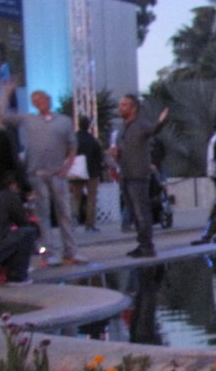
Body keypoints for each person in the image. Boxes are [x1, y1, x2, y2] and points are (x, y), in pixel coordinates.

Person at [1, 80, 83, 267]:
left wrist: (67, 167)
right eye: (35, 100)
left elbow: (72, 146)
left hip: (57, 174)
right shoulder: (29, 119)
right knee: (42, 214)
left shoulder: (64, 121)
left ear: (48, 99)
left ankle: (71, 251)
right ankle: (49, 253)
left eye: (41, 99)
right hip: (36, 174)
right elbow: (4, 116)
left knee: (65, 212)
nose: (39, 103)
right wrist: (6, 93)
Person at [110, 93, 168, 258]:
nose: (120, 108)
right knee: (134, 213)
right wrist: (116, 154)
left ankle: (147, 246)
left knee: (141, 211)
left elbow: (153, 130)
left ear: (133, 108)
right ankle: (142, 243)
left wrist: (161, 121)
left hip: (138, 175)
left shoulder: (141, 124)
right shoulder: (123, 128)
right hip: (125, 174)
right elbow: (122, 150)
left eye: (124, 105)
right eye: (120, 105)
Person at [71, 114, 105, 232]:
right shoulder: (93, 140)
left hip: (77, 172)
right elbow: (99, 157)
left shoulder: (74, 139)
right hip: (92, 172)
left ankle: (73, 219)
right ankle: (89, 224)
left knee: (76, 197)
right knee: (91, 199)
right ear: (88, 126)